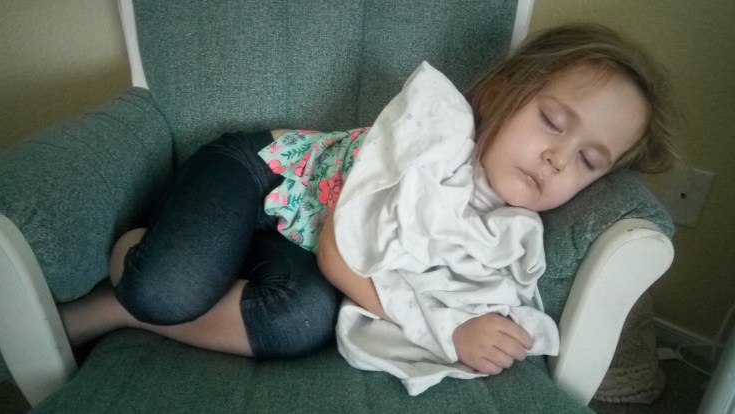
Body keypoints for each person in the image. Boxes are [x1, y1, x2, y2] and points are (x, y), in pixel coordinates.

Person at [58, 23, 676, 377]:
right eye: (552, 121)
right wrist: (448, 331)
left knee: (301, 321)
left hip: (291, 239)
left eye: (590, 161)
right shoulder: (433, 138)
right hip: (261, 174)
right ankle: (137, 280)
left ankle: (128, 310)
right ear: (498, 95)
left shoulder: (510, 226)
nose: (559, 158)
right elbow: (339, 253)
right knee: (165, 288)